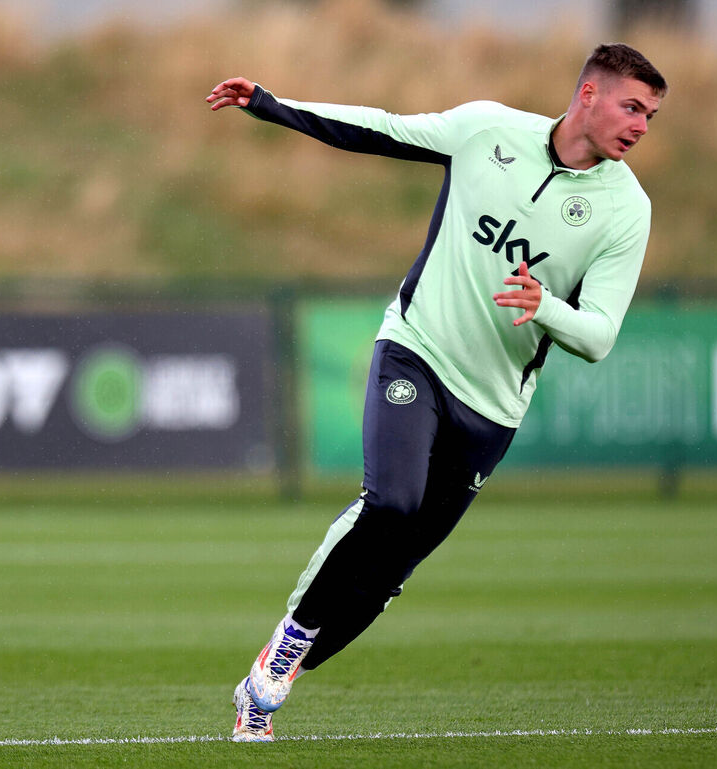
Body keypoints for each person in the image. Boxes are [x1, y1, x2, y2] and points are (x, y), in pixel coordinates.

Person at [206, 43, 668, 743]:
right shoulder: (488, 131)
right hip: (416, 351)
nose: (640, 125)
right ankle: (285, 651)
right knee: (390, 502)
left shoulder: (626, 210)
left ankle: (271, 679)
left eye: (651, 115)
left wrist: (545, 305)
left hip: (491, 410)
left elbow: (599, 335)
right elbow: (381, 127)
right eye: (632, 106)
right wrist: (272, 105)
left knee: (388, 573)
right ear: (588, 96)